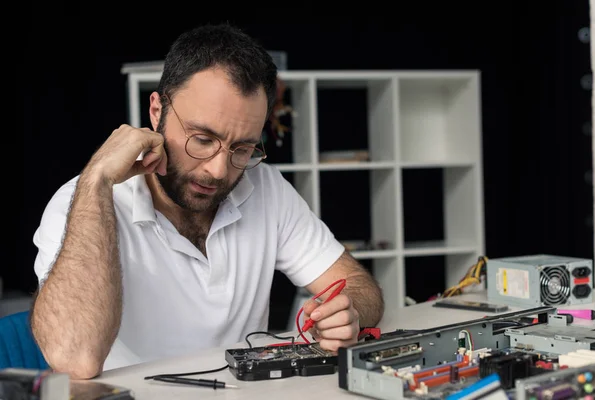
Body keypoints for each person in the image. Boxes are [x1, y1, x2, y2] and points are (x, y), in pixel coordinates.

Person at [29, 22, 385, 380]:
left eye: (242, 148)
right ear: (156, 112)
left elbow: (362, 288)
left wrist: (346, 312)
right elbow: (75, 359)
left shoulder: (266, 188)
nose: (217, 171)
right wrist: (97, 180)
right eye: (201, 139)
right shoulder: (82, 203)